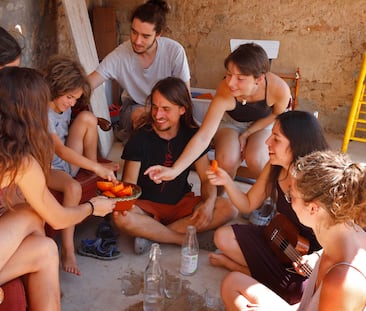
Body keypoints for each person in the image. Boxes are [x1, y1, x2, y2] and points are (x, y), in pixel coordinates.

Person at [0, 67, 115, 311]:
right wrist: (92, 207)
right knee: (39, 231)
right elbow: (58, 218)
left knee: (43, 243)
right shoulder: (16, 161)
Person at [205, 110, 330, 304]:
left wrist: (316, 258)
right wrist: (227, 181)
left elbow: (343, 238)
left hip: (306, 258)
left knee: (297, 293)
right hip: (278, 237)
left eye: (276, 139)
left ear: (296, 144)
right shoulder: (275, 166)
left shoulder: (320, 180)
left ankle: (239, 268)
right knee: (222, 236)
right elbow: (247, 204)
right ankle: (261, 275)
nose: (267, 143)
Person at [221, 150, 366, 310]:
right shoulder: (346, 234)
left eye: (291, 197)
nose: (289, 202)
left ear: (312, 208)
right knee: (232, 282)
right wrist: (317, 256)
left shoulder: (341, 282)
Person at [111, 77, 237, 255]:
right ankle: (180, 238)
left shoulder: (193, 136)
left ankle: (150, 234)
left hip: (181, 204)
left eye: (166, 109)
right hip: (146, 206)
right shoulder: (139, 137)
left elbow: (205, 178)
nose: (158, 115)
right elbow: (129, 186)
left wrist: (208, 202)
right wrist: (119, 197)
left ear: (182, 109)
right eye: (155, 107)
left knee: (227, 208)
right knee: (120, 217)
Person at [145, 42, 291, 184]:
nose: (231, 83)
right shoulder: (225, 89)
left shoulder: (279, 89)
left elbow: (276, 115)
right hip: (230, 123)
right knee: (227, 160)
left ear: (258, 79)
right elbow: (203, 136)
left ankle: (269, 201)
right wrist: (174, 170)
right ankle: (219, 199)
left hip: (261, 124)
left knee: (258, 159)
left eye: (240, 78)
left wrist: (247, 134)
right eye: (228, 74)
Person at [43, 55, 119, 275]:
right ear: (55, 87)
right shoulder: (42, 111)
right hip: (48, 167)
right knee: (73, 187)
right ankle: (68, 249)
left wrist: (96, 167)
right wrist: (97, 168)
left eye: (75, 98)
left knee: (87, 117)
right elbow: (60, 149)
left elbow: (69, 140)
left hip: (67, 162)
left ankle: (94, 166)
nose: (72, 103)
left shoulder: (65, 104)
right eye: (69, 97)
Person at [87, 0, 190, 141]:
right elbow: (89, 82)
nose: (137, 41)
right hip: (134, 106)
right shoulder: (121, 55)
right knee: (144, 117)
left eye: (145, 36)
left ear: (158, 34)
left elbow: (185, 96)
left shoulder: (174, 52)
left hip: (167, 108)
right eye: (134, 32)